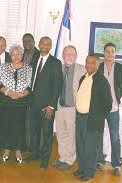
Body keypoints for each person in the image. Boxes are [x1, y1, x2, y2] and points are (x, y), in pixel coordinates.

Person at [72, 54, 112, 181]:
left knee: (90, 148)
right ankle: (82, 169)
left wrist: (97, 116)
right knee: (81, 146)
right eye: (87, 62)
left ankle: (89, 172)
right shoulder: (83, 77)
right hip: (80, 117)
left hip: (92, 120)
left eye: (92, 63)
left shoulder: (101, 80)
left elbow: (108, 104)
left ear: (97, 65)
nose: (88, 65)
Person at [25, 36, 63, 170]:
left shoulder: (55, 63)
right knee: (34, 132)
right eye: (42, 43)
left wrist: (52, 105)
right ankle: (34, 154)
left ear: (50, 46)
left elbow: (57, 86)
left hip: (47, 106)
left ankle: (45, 160)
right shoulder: (35, 59)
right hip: (33, 103)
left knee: (47, 135)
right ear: (39, 45)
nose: (44, 45)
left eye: (47, 43)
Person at [0, 45, 32, 163]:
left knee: (19, 126)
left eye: (19, 54)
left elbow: (31, 85)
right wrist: (8, 92)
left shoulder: (28, 68)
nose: (16, 56)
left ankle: (18, 149)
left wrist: (22, 94)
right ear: (10, 55)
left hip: (21, 102)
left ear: (22, 56)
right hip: (6, 101)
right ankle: (7, 149)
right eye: (14, 54)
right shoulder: (3, 67)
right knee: (7, 126)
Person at [96, 43, 122, 176]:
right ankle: (99, 160)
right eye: (107, 51)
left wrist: (117, 96)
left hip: (114, 108)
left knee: (115, 136)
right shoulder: (99, 66)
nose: (109, 54)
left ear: (115, 53)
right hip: (100, 108)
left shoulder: (121, 67)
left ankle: (116, 164)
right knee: (98, 134)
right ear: (104, 53)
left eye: (112, 51)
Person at [53, 45, 86, 169]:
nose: (69, 56)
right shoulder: (58, 68)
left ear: (76, 56)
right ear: (62, 56)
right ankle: (62, 157)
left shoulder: (83, 70)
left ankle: (70, 159)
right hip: (59, 107)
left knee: (71, 134)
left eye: (72, 54)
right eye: (66, 54)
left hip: (73, 108)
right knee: (61, 134)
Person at [22, 33, 40, 151]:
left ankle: (33, 147)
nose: (27, 43)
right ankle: (24, 144)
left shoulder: (40, 55)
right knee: (23, 121)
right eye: (24, 41)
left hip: (35, 93)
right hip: (21, 93)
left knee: (34, 123)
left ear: (34, 41)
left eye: (29, 40)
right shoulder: (21, 54)